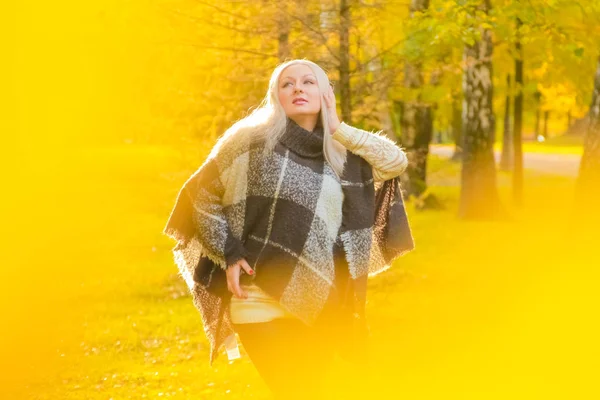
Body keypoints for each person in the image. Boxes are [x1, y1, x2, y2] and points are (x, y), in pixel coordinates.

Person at [163, 59, 414, 399]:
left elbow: (394, 162)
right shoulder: (248, 141)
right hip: (255, 298)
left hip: (322, 302)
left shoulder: (341, 152)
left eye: (309, 82)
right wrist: (230, 254)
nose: (298, 87)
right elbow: (199, 198)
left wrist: (337, 126)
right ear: (275, 95)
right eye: (287, 83)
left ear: (325, 93)